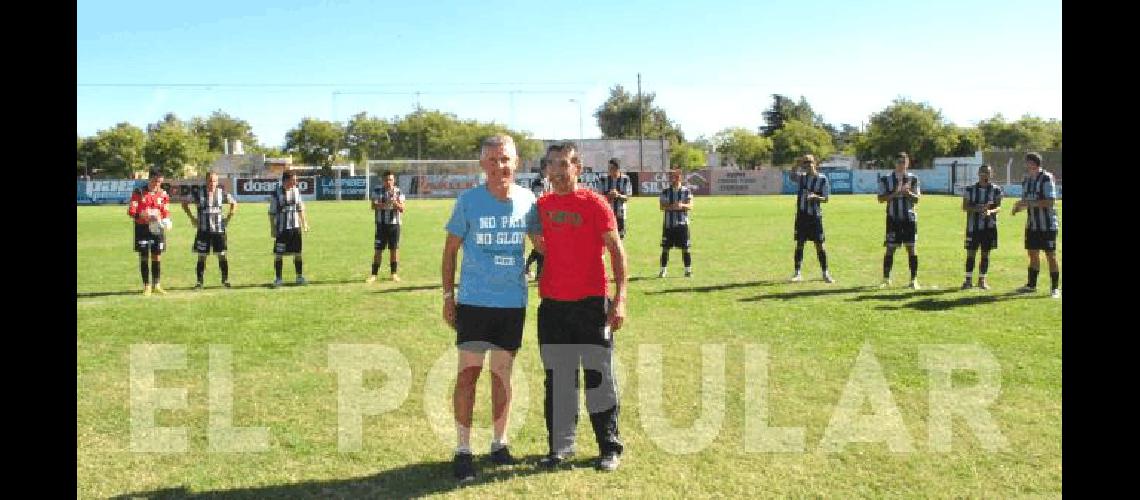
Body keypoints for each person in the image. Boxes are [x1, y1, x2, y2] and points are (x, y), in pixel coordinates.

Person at [441, 134, 543, 482]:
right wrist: (447, 297)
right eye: (493, 160)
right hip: (473, 303)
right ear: (483, 164)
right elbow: (450, 252)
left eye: (506, 159)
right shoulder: (468, 201)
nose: (500, 166)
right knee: (468, 376)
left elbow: (542, 244)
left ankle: (499, 443)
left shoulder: (530, 201)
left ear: (516, 162)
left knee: (502, 377)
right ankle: (463, 449)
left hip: (512, 304)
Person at [535, 142, 627, 472]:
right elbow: (537, 242)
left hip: (591, 304)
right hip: (553, 306)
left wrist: (620, 299)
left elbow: (616, 251)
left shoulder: (595, 203)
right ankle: (561, 447)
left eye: (564, 164)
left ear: (578, 168)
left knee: (598, 377)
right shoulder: (541, 205)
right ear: (545, 170)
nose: (558, 171)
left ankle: (609, 447)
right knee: (558, 379)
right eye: (552, 165)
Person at [1011, 152, 1061, 298]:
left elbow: (1051, 201)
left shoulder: (1046, 178)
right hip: (1032, 225)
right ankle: (1031, 285)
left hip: (1047, 225)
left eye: (1027, 162)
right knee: (1032, 254)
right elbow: (1026, 200)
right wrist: (1018, 207)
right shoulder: (1026, 180)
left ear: (1033, 163)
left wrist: (1028, 203)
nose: (1026, 165)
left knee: (1050, 255)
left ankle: (1055, 289)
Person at [182, 171, 237, 289]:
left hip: (218, 231)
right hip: (203, 231)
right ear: (206, 180)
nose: (212, 183)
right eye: (210, 180)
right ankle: (199, 282)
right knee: (202, 256)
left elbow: (234, 203)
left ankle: (225, 280)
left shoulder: (222, 193)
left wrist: (228, 217)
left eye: (215, 181)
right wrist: (192, 218)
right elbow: (185, 203)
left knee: (222, 255)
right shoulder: (198, 193)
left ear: (217, 181)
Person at [877, 152, 922, 289]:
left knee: (911, 249)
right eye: (899, 162)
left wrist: (908, 193)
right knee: (890, 249)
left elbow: (917, 199)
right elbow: (880, 199)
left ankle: (913, 280)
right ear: (895, 163)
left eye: (904, 162)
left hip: (909, 219)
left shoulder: (913, 179)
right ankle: (886, 279)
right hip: (893, 219)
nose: (901, 164)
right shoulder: (886, 179)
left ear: (907, 163)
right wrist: (896, 193)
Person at [790, 154, 834, 283]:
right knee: (799, 244)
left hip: (815, 216)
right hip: (802, 215)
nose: (808, 165)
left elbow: (826, 199)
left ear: (815, 163)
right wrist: (796, 164)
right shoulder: (802, 178)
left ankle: (825, 273)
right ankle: (797, 273)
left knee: (820, 244)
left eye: (809, 162)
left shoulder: (822, 179)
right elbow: (792, 175)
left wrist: (815, 197)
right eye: (805, 163)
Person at [128, 168, 171, 295]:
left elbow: (165, 211)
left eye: (160, 182)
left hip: (157, 228)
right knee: (144, 256)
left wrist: (166, 220)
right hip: (142, 228)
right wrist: (143, 215)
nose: (158, 184)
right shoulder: (139, 192)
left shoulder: (163, 194)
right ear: (150, 179)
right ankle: (146, 285)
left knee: (157, 255)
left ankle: (156, 284)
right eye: (156, 181)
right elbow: (131, 211)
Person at [960, 164, 1002, 290]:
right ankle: (967, 280)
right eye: (983, 172)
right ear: (978, 174)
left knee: (985, 254)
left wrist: (990, 212)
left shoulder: (996, 190)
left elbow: (998, 207)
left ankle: (982, 280)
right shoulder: (970, 189)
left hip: (989, 227)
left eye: (987, 173)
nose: (985, 175)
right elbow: (964, 207)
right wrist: (979, 209)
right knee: (971, 253)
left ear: (991, 174)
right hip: (973, 227)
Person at [268, 170, 309, 288]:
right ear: (286, 180)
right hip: (282, 229)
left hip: (295, 228)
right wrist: (272, 228)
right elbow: (271, 213)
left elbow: (301, 208)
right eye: (294, 180)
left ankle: (299, 277)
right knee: (279, 254)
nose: (296, 182)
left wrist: (304, 223)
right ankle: (278, 279)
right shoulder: (276, 193)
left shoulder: (296, 191)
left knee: (298, 253)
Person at [367, 171, 406, 283]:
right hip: (381, 225)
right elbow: (373, 205)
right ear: (383, 180)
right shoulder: (377, 190)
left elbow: (402, 208)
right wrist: (385, 204)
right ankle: (374, 274)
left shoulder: (399, 192)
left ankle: (394, 274)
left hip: (395, 225)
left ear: (394, 180)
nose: (388, 182)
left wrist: (395, 203)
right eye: (386, 180)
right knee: (378, 249)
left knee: (394, 249)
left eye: (391, 180)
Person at [658, 168, 694, 278]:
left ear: (680, 178)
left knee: (686, 248)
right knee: (665, 248)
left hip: (682, 225)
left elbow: (691, 205)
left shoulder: (686, 191)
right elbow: (661, 206)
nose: (673, 179)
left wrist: (682, 205)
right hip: (669, 225)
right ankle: (663, 270)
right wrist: (672, 206)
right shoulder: (665, 191)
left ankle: (688, 270)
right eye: (672, 177)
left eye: (675, 176)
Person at [525, 161, 551, 280]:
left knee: (542, 245)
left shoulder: (546, 179)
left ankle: (534, 270)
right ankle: (537, 272)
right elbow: (538, 199)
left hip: (545, 216)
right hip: (538, 216)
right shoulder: (539, 181)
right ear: (544, 168)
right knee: (542, 245)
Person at [599, 158, 633, 239]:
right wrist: (609, 196)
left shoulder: (625, 179)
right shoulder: (603, 179)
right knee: (607, 237)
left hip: (620, 214)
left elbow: (627, 197)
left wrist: (618, 195)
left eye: (611, 168)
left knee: (620, 239)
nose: (609, 170)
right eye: (609, 168)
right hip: (606, 214)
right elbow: (599, 197)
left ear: (617, 169)